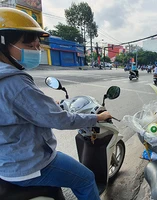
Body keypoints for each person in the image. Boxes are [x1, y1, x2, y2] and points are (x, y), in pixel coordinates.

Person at [0, 8, 112, 200]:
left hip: (7, 160)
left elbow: (18, 107)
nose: (35, 50)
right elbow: (60, 120)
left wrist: (50, 103)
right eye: (28, 44)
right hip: (29, 164)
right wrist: (97, 118)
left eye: (37, 46)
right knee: (86, 178)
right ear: (2, 44)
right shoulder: (15, 82)